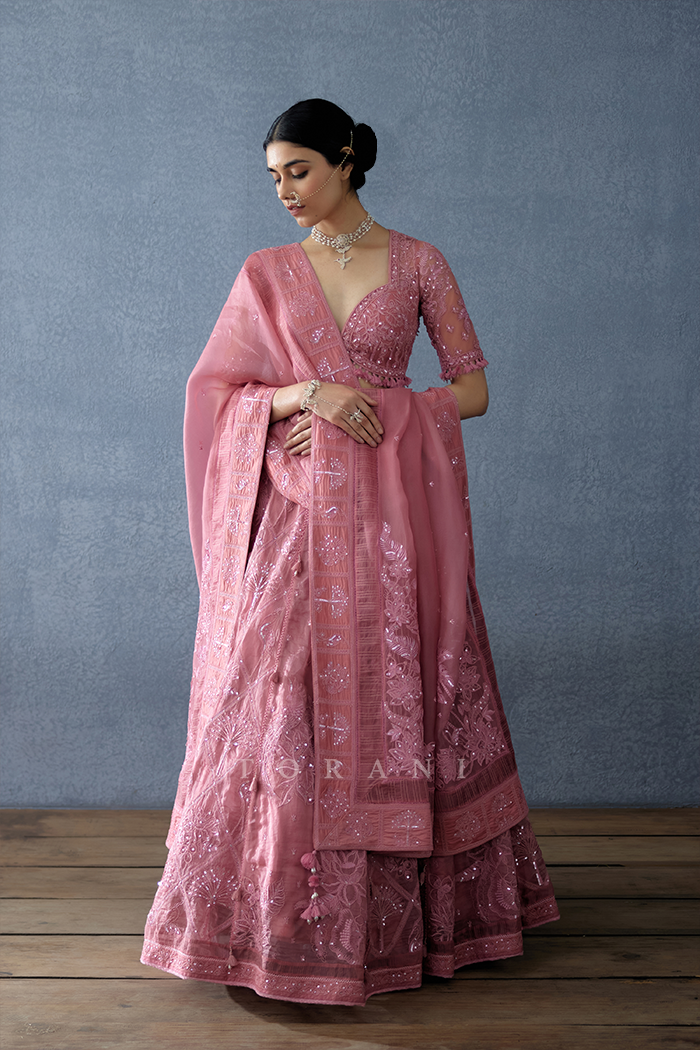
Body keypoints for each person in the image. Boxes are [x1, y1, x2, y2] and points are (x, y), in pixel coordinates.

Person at [141, 99, 559, 1005]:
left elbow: (472, 390)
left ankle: (406, 927)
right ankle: (268, 925)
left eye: (298, 170)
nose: (284, 191)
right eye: (273, 177)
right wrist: (304, 397)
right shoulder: (265, 273)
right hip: (296, 525)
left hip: (397, 529)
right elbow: (217, 395)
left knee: (409, 697)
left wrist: (382, 411)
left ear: (344, 160)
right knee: (276, 705)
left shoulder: (419, 263)